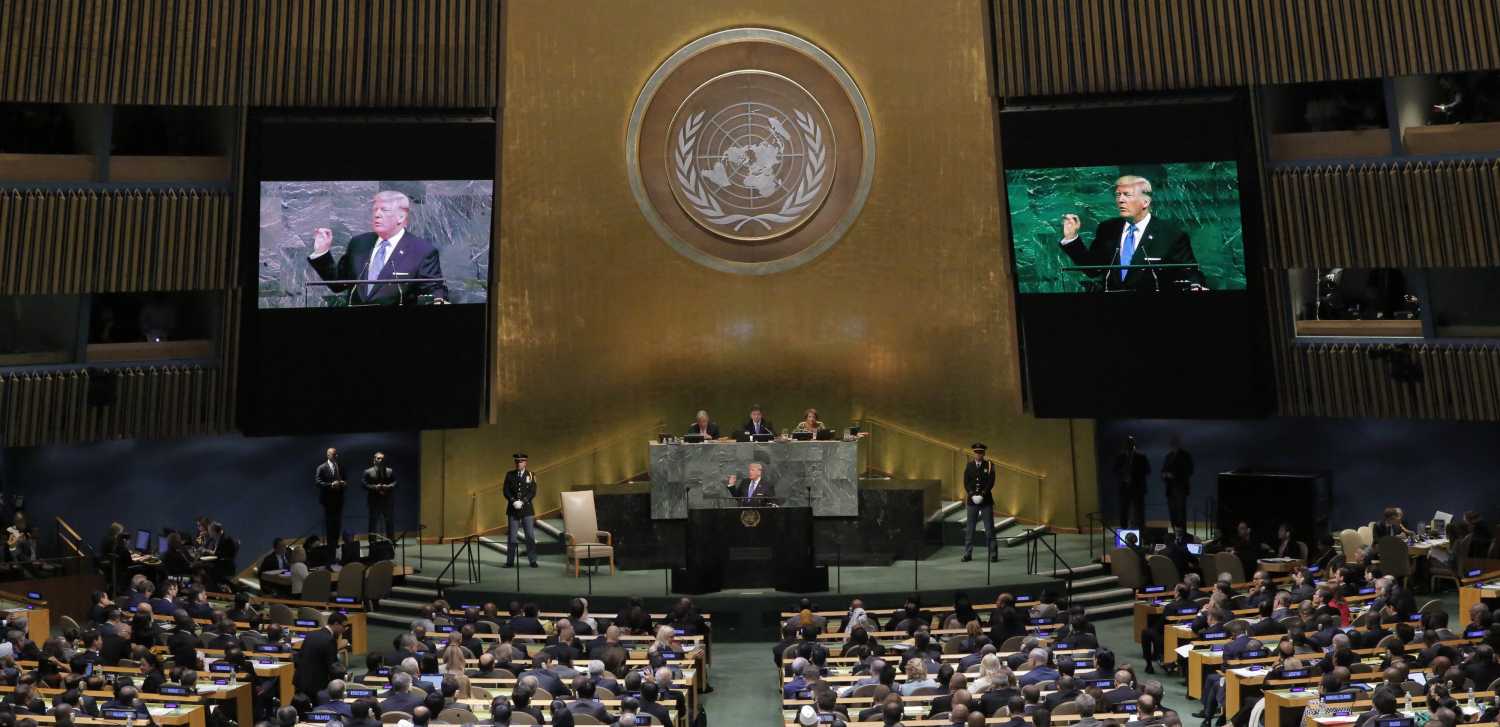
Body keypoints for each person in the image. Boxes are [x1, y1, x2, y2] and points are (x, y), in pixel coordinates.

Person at [1057, 175, 1204, 293]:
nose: (1120, 200)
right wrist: (1071, 238)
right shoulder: (1107, 229)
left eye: (1127, 195)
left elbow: (1189, 271)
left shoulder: (1170, 234)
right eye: (1118, 195)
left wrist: (1196, 285)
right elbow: (1094, 269)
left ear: (1145, 202)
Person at [307, 190, 448, 305]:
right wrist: (322, 252)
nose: (377, 214)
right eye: (375, 210)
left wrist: (438, 299)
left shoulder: (421, 250)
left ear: (401, 217)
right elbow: (338, 284)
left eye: (384, 210)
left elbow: (434, 289)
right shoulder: (359, 243)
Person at [962, 443, 998, 563]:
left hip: (986, 500)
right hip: (972, 501)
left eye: (981, 453)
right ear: (974, 453)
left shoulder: (989, 465)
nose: (978, 454)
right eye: (977, 452)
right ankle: (967, 553)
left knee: (989, 528)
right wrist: (972, 494)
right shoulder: (969, 465)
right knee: (970, 529)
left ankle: (993, 553)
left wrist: (982, 494)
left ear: (984, 454)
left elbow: (991, 481)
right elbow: (966, 482)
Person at [503, 453, 539, 568]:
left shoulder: (531, 475)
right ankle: (510, 561)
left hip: (527, 509)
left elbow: (533, 491)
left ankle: (532, 560)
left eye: (521, 461)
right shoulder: (509, 474)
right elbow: (506, 490)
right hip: (513, 509)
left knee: (529, 536)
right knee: (512, 537)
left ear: (525, 462)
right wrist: (513, 501)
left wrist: (522, 501)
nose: (519, 463)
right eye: (517, 461)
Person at [1114, 437, 1150, 529]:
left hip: (1137, 487)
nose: (1128, 445)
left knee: (1139, 511)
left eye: (1130, 443)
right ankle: (1124, 529)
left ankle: (1142, 531)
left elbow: (1147, 470)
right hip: (1124, 487)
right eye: (1127, 443)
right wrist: (1123, 472)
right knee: (1123, 510)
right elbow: (1115, 470)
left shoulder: (1141, 456)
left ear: (1133, 444)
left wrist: (1134, 473)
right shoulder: (1120, 456)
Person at [1161, 435, 1193, 532]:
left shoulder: (1185, 455)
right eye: (1172, 443)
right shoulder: (1168, 456)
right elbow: (1163, 470)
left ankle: (1182, 534)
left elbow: (1189, 470)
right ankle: (1176, 534)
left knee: (1180, 513)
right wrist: (1164, 475)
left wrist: (1174, 475)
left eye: (1175, 443)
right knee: (1173, 512)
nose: (1173, 445)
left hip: (1180, 488)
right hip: (1170, 489)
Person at [316, 447, 347, 543]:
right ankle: (330, 544)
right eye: (334, 454)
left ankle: (336, 542)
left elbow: (345, 480)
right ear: (328, 455)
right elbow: (318, 482)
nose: (336, 456)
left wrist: (343, 483)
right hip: (328, 500)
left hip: (339, 500)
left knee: (338, 523)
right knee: (329, 524)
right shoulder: (321, 467)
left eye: (336, 454)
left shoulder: (341, 466)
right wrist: (331, 485)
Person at [364, 452, 397, 540]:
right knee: (373, 523)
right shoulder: (368, 471)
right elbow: (364, 485)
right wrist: (375, 487)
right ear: (374, 460)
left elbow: (395, 482)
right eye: (378, 458)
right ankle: (372, 542)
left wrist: (388, 487)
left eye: (382, 458)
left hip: (387, 501)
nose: (381, 460)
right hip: (374, 501)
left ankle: (391, 541)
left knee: (389, 522)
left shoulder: (390, 471)